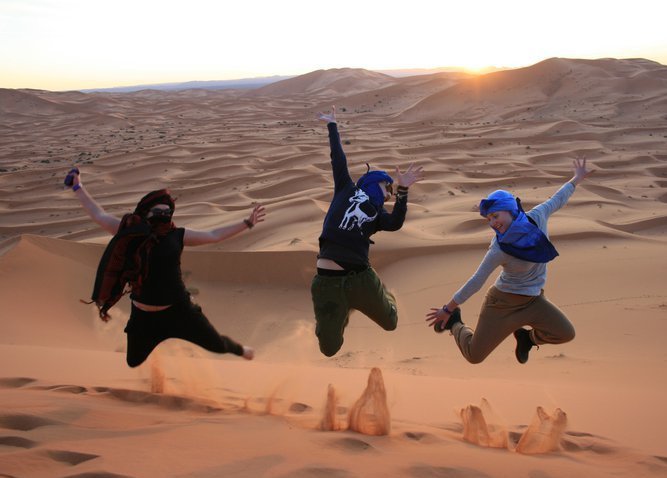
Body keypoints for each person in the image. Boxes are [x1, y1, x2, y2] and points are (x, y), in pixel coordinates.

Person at [65, 168, 264, 367]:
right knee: (133, 361)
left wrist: (247, 223)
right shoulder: (131, 232)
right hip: (144, 316)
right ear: (146, 213)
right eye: (158, 212)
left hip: (179, 311)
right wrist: (77, 186)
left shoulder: (178, 235)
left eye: (167, 212)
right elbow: (98, 214)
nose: (163, 216)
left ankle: (242, 350)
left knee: (217, 345)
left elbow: (213, 235)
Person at [425, 158, 593, 364]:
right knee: (474, 356)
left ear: (510, 210)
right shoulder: (499, 248)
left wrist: (576, 179)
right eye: (489, 219)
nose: (493, 223)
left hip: (533, 301)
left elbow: (557, 199)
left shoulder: (537, 217)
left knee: (565, 333)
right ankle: (455, 324)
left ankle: (527, 338)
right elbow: (477, 281)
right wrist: (448, 309)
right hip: (502, 304)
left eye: (496, 216)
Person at [312, 106, 424, 357]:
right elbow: (337, 158)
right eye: (388, 188)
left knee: (391, 322)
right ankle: (341, 311)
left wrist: (403, 191)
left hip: (361, 278)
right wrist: (332, 125)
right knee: (329, 349)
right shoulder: (346, 188)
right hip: (327, 283)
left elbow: (395, 223)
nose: (389, 195)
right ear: (375, 182)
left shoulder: (378, 215)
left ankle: (382, 295)